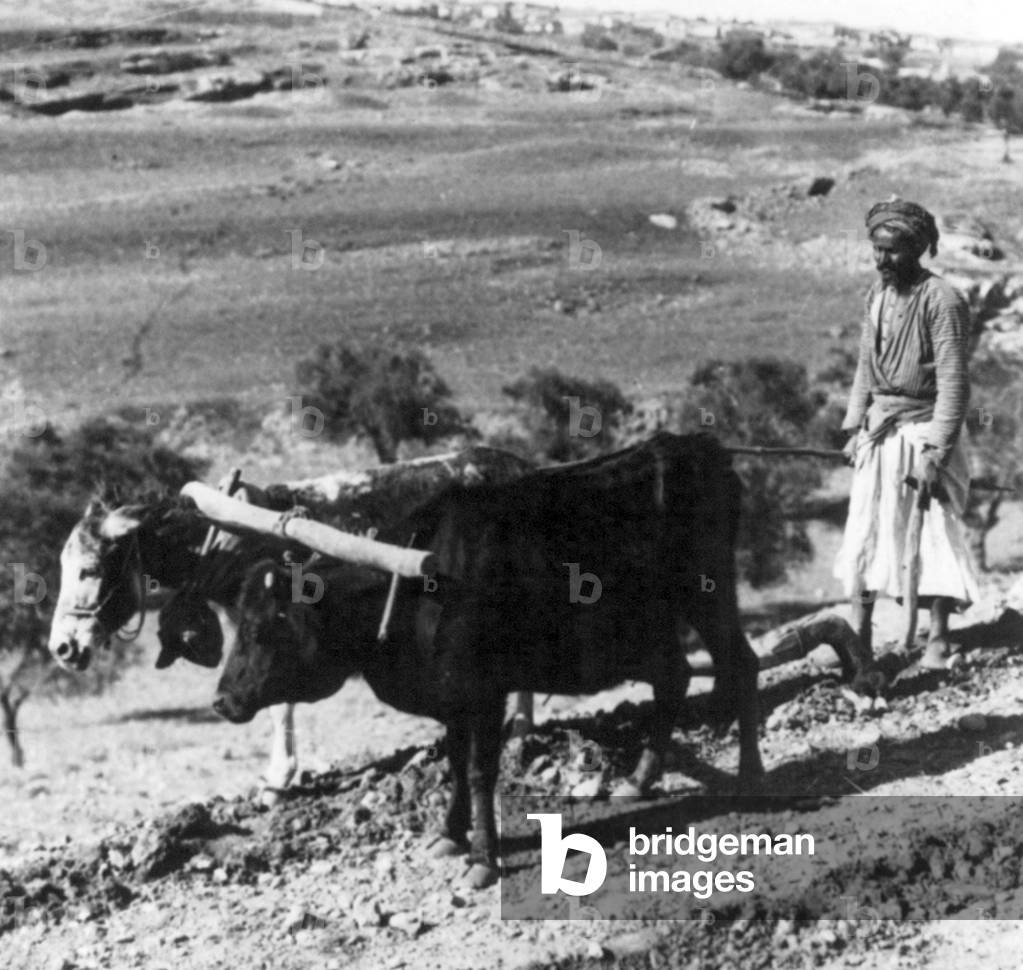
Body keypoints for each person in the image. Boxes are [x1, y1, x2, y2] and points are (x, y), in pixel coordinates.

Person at [834, 199, 981, 670]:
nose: (881, 260)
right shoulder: (875, 295)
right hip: (881, 429)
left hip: (925, 429)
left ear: (917, 250)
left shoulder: (942, 301)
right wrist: (855, 427)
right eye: (876, 249)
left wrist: (936, 450)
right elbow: (865, 368)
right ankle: (860, 642)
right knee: (868, 530)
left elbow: (955, 382)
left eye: (892, 251)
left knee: (933, 535)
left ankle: (937, 638)